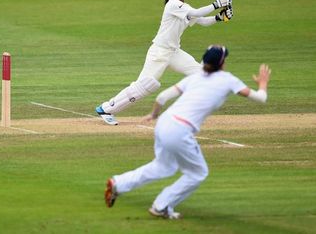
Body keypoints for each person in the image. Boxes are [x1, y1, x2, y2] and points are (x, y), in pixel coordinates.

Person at [104, 45, 271, 219]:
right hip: (180, 130)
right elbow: (261, 98)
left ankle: (118, 183)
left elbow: (162, 97)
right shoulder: (228, 79)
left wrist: (153, 115)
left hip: (164, 123)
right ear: (221, 63)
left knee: (163, 166)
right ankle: (161, 206)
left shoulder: (195, 77)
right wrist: (263, 84)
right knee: (198, 173)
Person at [96, 0, 233, 125]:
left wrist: (220, 17)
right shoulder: (173, 5)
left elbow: (203, 21)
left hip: (174, 53)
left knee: (202, 73)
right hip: (159, 52)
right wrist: (216, 4)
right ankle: (106, 108)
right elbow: (197, 13)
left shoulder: (185, 8)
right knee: (145, 85)